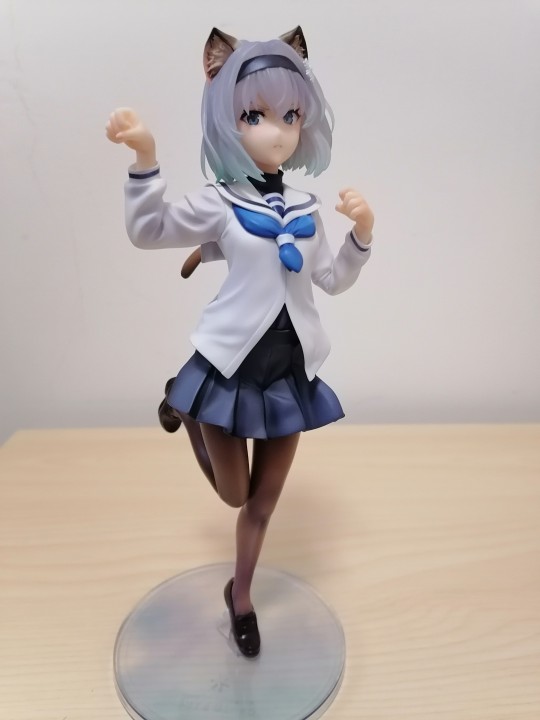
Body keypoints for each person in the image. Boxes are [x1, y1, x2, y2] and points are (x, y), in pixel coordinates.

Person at [106, 26, 374, 658]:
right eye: (255, 116)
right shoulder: (219, 202)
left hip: (288, 373)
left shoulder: (306, 209)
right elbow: (149, 230)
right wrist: (145, 159)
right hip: (228, 369)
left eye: (290, 116)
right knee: (233, 494)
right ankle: (186, 404)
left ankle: (242, 598)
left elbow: (331, 280)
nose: (275, 132)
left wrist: (361, 235)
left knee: (261, 505)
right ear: (228, 119)